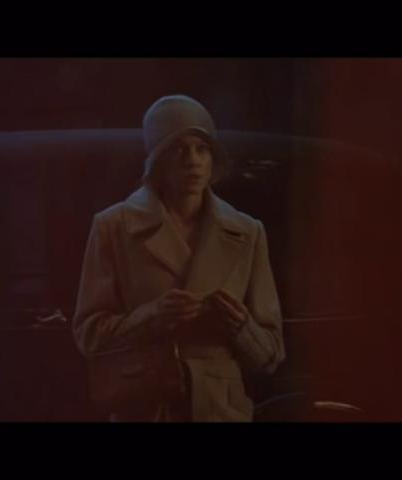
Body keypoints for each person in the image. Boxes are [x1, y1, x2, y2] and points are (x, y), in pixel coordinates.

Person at [72, 94, 285, 422]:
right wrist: (152, 315)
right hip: (145, 406)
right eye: (178, 149)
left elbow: (271, 355)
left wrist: (241, 326)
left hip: (220, 413)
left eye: (202, 149)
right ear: (157, 160)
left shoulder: (247, 232)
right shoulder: (114, 227)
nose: (193, 161)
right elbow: (89, 336)